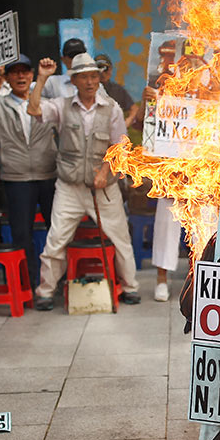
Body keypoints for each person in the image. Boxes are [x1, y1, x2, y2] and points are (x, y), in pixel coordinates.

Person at [29, 53, 141, 309]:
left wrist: (104, 172)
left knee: (120, 237)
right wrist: (42, 78)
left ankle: (130, 287)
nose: (90, 82)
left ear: (99, 78)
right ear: (74, 80)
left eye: (93, 76)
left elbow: (120, 146)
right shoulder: (62, 105)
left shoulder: (111, 107)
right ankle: (46, 292)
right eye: (84, 77)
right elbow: (34, 109)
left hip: (104, 187)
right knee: (56, 239)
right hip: (69, 186)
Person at [0, 56, 58, 288]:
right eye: (15, 72)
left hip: (48, 175)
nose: (21, 76)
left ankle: (55, 282)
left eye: (25, 72)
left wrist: (43, 77)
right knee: (21, 234)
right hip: (16, 178)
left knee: (56, 232)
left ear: (31, 75)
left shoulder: (47, 103)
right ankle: (27, 283)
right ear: (7, 78)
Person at [96, 55, 138, 124]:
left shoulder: (117, 90)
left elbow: (134, 109)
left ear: (111, 69)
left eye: (105, 69)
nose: (102, 73)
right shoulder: (89, 90)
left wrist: (125, 123)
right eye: (99, 69)